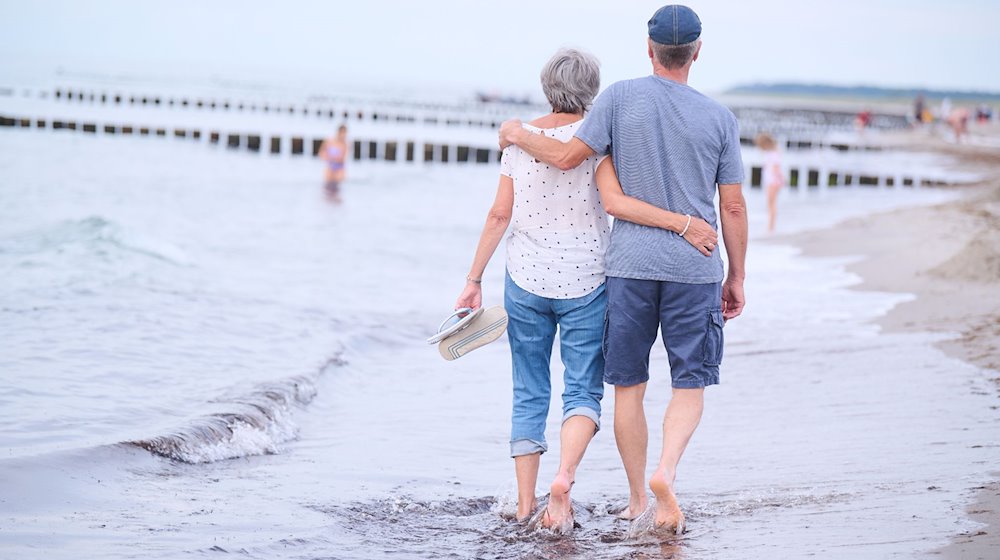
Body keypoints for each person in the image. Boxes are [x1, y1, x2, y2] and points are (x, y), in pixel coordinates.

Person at [499, 4, 748, 535]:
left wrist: (517, 133)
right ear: (697, 52)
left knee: (628, 386)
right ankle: (666, 472)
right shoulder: (720, 118)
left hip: (629, 267)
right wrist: (738, 276)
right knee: (690, 383)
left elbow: (567, 158)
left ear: (649, 48)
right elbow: (732, 208)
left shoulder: (616, 98)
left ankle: (637, 496)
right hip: (695, 266)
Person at [454, 48, 716, 533]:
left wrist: (473, 280)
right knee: (582, 391)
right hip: (588, 281)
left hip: (525, 278)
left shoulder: (518, 141)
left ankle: (525, 501)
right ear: (592, 90)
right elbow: (614, 202)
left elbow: (498, 215)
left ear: (545, 83)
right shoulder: (599, 140)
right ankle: (565, 478)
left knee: (528, 389)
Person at [755, 133, 785, 233]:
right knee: (771, 203)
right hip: (772, 181)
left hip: (773, 181)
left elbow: (776, 169)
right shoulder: (772, 153)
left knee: (771, 204)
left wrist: (782, 179)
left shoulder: (773, 154)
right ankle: (771, 226)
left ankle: (771, 227)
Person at [319, 125, 348, 200]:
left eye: (345, 134)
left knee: (336, 191)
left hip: (339, 168)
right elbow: (321, 154)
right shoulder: (329, 141)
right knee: (327, 190)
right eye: (343, 133)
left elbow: (343, 159)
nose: (344, 135)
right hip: (330, 167)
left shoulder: (345, 144)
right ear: (339, 132)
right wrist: (330, 158)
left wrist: (335, 159)